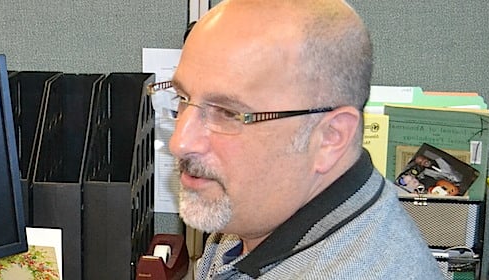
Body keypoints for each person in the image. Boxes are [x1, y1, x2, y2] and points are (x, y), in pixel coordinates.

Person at [164, 0, 444, 278]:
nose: (180, 142)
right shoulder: (262, 212)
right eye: (182, 98)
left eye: (227, 113)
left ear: (330, 137)